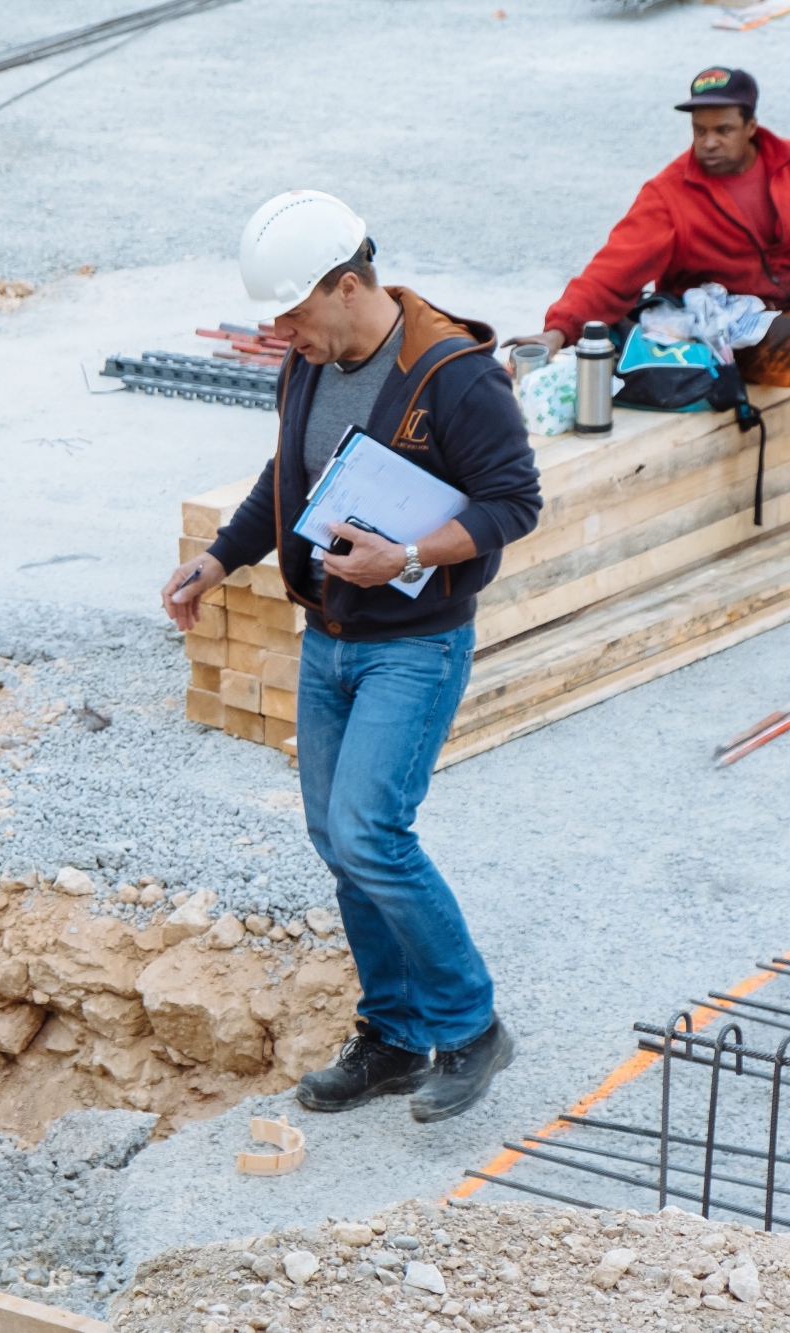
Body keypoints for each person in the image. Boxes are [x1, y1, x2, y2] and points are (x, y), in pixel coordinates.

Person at [162, 191, 540, 1123]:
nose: (283, 333)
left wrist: (408, 556)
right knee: (338, 840)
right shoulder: (310, 363)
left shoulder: (454, 375)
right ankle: (394, 1034)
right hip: (327, 639)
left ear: (346, 286)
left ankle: (471, 1026)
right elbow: (283, 478)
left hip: (413, 645)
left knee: (372, 832)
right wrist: (218, 558)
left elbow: (514, 502)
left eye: (293, 312)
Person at [511, 68, 790, 545]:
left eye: (722, 130)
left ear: (751, 127)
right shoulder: (669, 196)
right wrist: (557, 331)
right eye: (699, 131)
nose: (708, 143)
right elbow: (612, 272)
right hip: (737, 339)